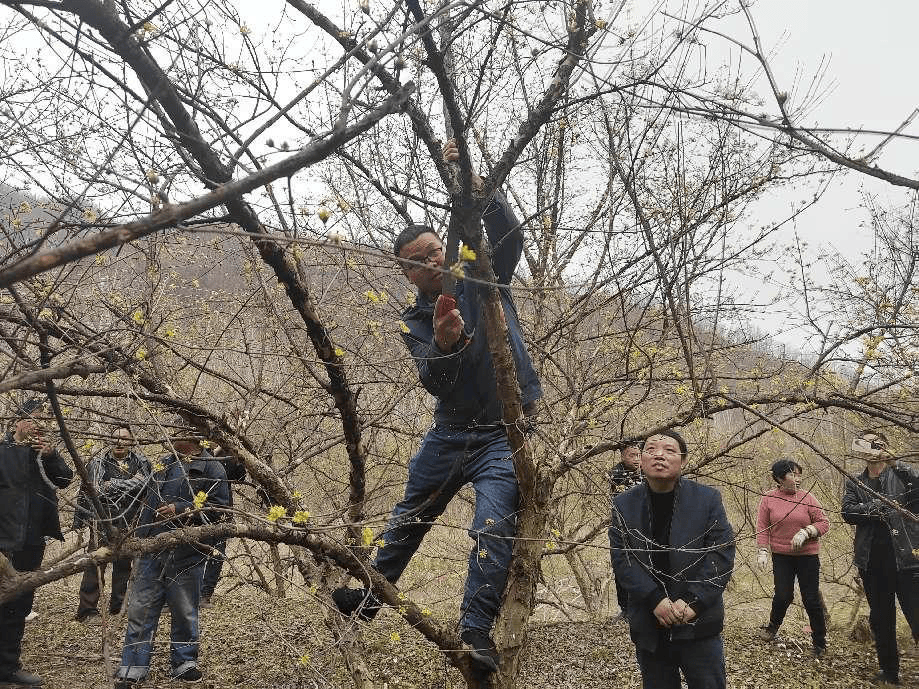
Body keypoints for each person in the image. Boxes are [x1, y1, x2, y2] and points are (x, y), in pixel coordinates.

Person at [332, 139, 542, 674]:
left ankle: (475, 631)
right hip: (450, 432)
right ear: (408, 272)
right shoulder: (415, 320)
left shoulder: (480, 277)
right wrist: (448, 347)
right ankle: (372, 597)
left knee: (493, 528)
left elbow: (509, 237)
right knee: (410, 515)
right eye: (420, 259)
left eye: (436, 248)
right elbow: (434, 379)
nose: (434, 258)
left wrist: (470, 183)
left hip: (503, 431)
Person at [609, 430, 735, 689]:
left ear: (684, 460)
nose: (659, 455)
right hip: (649, 621)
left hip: (699, 622)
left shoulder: (707, 499)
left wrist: (692, 602)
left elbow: (720, 555)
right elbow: (623, 559)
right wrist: (655, 600)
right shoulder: (624, 504)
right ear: (640, 459)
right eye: (651, 449)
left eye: (669, 450)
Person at [115, 421, 230, 688]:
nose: (170, 436)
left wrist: (182, 508)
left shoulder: (214, 467)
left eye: (176, 432)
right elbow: (147, 502)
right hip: (151, 550)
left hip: (187, 554)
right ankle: (133, 666)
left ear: (193, 437)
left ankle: (184, 662)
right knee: (141, 608)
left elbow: (221, 511)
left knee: (185, 610)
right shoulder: (163, 464)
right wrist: (139, 540)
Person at [0, 397, 73, 687]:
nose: (38, 425)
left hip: (32, 542)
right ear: (17, 421)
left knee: (19, 605)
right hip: (4, 543)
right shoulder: (2, 452)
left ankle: (7, 669)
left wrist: (52, 455)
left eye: (43, 420)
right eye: (33, 418)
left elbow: (65, 479)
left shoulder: (44, 453)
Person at [842, 430, 919, 686]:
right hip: (872, 563)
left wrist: (897, 462)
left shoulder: (901, 475)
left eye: (878, 443)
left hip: (907, 560)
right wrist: (880, 508)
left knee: (916, 615)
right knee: (881, 619)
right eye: (867, 443)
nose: (873, 448)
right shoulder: (855, 481)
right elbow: (849, 511)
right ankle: (889, 673)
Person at [72, 424, 151, 622]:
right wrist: (130, 483)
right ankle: (87, 611)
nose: (119, 442)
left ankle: (119, 607)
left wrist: (114, 483)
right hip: (102, 520)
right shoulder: (99, 461)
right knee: (96, 563)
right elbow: (96, 490)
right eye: (115, 438)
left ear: (131, 442)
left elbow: (146, 484)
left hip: (129, 518)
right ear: (109, 441)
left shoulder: (141, 461)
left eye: (124, 438)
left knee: (124, 563)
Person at [755, 458, 830, 654]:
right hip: (781, 556)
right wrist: (762, 550)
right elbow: (763, 526)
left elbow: (824, 523)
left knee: (811, 599)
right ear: (780, 478)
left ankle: (819, 642)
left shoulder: (808, 498)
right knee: (782, 595)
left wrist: (807, 531)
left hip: (807, 556)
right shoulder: (769, 498)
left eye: (799, 475)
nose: (798, 479)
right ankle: (772, 628)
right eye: (792, 475)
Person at [199, 444, 245, 608]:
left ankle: (205, 594)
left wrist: (237, 455)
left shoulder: (226, 455)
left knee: (217, 553)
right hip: (197, 510)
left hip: (222, 510)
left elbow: (240, 477)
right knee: (195, 551)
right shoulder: (201, 453)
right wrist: (215, 451)